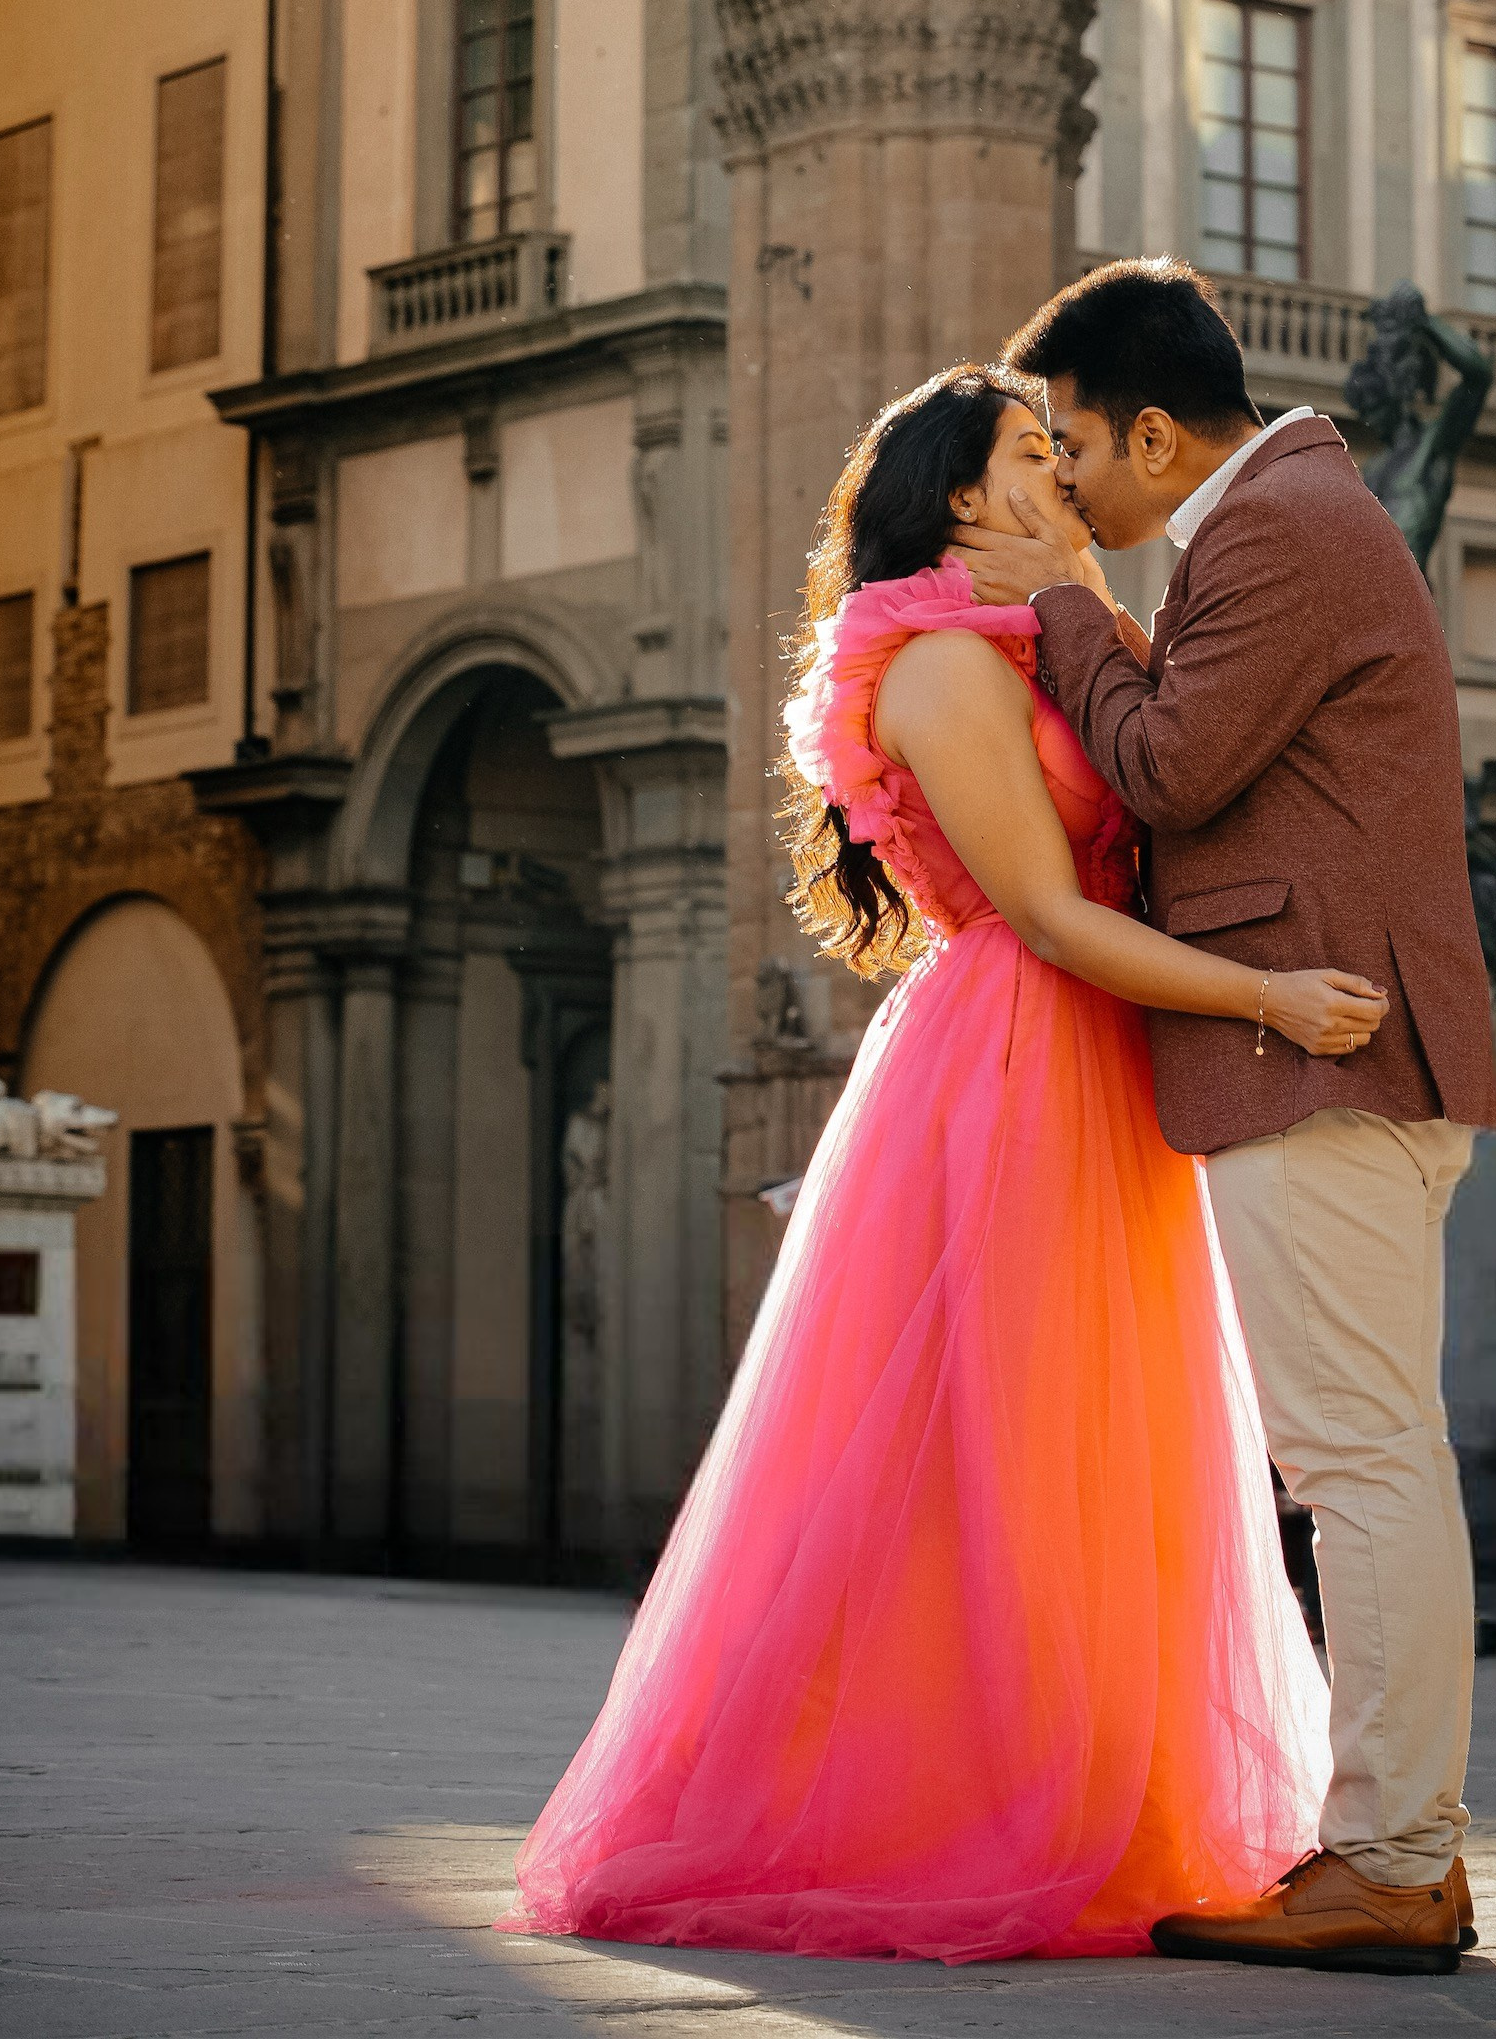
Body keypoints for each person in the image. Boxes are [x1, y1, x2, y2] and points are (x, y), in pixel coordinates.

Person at [497, 366, 1392, 1964]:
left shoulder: (1025, 646)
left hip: (1093, 1066)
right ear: (968, 499)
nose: (1066, 474)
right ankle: (961, 1803)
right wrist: (1267, 995)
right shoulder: (934, 671)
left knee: (1103, 1456)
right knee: (997, 1457)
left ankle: (1099, 1787)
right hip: (1020, 1062)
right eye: (1034, 455)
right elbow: (1047, 917)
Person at [953, 257, 1496, 1976]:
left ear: (1162, 436)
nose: (1063, 484)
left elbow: (1175, 771)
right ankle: (1405, 1848)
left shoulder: (1276, 528)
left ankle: (1395, 1857)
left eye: (1072, 449)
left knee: (1359, 1459)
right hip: (1345, 1051)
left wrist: (1059, 604)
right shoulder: (1298, 513)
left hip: (1318, 1054)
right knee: (1373, 1451)